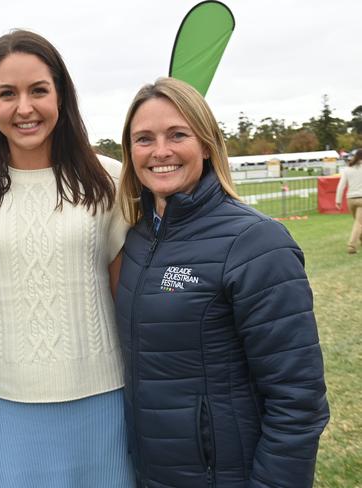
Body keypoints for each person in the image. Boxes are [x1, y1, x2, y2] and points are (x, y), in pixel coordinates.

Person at [115, 77, 330, 488]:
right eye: (144, 139)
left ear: (207, 144)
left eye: (178, 134)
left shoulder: (256, 242)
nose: (160, 151)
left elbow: (297, 401)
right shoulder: (136, 239)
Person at [0, 30, 135, 487]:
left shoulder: (111, 182)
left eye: (38, 90)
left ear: (62, 96)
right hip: (8, 404)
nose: (24, 108)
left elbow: (128, 300)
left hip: (105, 398)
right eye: (7, 93)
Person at [335, 149, 362, 253]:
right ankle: (351, 246)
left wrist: (338, 200)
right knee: (359, 222)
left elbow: (341, 186)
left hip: (350, 199)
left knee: (358, 221)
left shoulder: (347, 169)